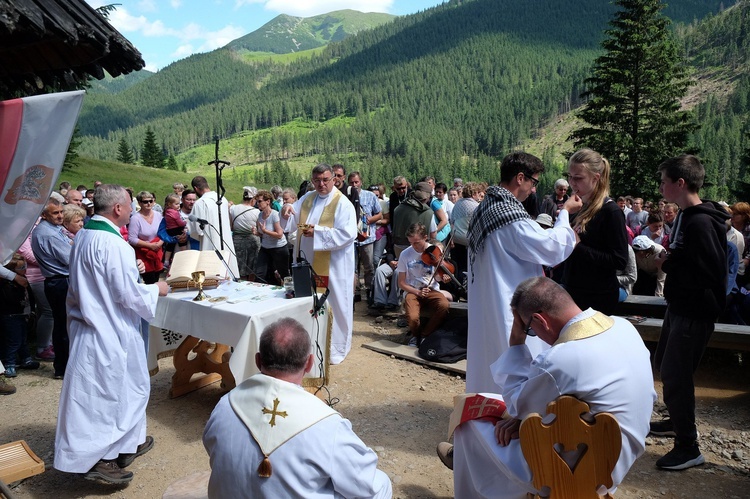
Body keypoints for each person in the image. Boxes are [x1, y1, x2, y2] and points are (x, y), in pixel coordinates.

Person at [451, 276, 655, 498]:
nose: (534, 335)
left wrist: (517, 343)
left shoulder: (559, 360)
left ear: (540, 320)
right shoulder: (623, 326)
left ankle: (468, 475)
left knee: (469, 418)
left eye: (530, 329)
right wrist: (521, 420)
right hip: (620, 455)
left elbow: (516, 404)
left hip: (581, 469)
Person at [54, 184, 169, 484]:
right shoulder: (113, 244)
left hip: (93, 324)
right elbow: (127, 295)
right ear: (118, 208)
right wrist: (156, 288)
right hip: (108, 328)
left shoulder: (84, 235)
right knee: (107, 395)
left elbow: (102, 279)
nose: (132, 210)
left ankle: (129, 442)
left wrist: (133, 269)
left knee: (131, 387)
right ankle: (101, 460)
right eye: (130, 205)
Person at [203, 317, 392, 498]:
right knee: (382, 483)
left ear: (258, 361)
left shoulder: (226, 405)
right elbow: (368, 486)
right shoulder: (326, 426)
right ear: (309, 363)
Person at [466, 152, 580, 394]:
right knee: (515, 365)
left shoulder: (486, 207)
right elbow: (551, 248)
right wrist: (565, 214)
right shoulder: (509, 216)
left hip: (489, 301)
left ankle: (487, 409)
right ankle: (513, 415)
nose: (534, 190)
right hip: (509, 301)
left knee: (489, 357)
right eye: (534, 182)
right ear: (520, 178)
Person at [650, 155, 728, 470]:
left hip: (693, 312)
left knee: (675, 375)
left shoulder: (700, 221)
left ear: (679, 184)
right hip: (680, 306)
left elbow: (711, 272)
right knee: (664, 365)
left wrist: (669, 264)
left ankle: (688, 447)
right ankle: (676, 420)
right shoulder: (690, 216)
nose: (660, 187)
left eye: (664, 181)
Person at [287, 164, 357, 364]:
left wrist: (317, 232)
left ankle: (336, 347)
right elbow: (293, 217)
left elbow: (348, 234)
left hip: (333, 265)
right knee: (308, 302)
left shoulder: (343, 204)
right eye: (316, 180)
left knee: (334, 303)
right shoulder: (307, 199)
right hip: (308, 260)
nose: (321, 184)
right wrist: (287, 210)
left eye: (325, 180)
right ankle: (311, 343)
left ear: (334, 179)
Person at [560, 148, 628, 315]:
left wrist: (578, 246)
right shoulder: (578, 206)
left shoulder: (611, 212)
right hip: (572, 291)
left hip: (597, 298)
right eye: (570, 176)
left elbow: (619, 260)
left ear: (595, 178)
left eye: (578, 178)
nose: (572, 183)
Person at [31, 197, 71, 379]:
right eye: (55, 213)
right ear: (44, 214)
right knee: (63, 325)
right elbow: (70, 259)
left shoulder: (50, 229)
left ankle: (63, 366)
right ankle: (63, 368)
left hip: (57, 280)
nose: (60, 216)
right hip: (59, 281)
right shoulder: (48, 234)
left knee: (63, 324)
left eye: (61, 212)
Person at [397, 223, 450, 345]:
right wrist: (417, 292)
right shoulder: (405, 254)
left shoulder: (435, 250)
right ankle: (416, 335)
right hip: (413, 290)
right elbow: (401, 282)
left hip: (432, 289)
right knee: (413, 317)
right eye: (411, 243)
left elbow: (437, 276)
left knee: (444, 306)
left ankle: (426, 334)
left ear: (425, 237)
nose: (413, 246)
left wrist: (443, 277)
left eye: (416, 242)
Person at [189, 176, 240, 278]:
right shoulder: (222, 199)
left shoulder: (200, 203)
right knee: (228, 271)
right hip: (225, 239)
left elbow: (198, 231)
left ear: (196, 188)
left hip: (210, 243)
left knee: (212, 273)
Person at [348, 172, 382, 302]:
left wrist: (369, 220)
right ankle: (355, 291)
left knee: (368, 266)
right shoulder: (346, 196)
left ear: (361, 182)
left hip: (367, 238)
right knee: (352, 267)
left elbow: (379, 214)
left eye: (356, 182)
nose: (354, 185)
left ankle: (369, 290)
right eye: (351, 182)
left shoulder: (370, 196)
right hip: (351, 239)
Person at [128, 191, 164, 284]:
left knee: (156, 279)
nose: (148, 203)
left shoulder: (158, 215)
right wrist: (150, 246)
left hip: (157, 252)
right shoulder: (135, 218)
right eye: (145, 202)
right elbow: (132, 238)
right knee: (150, 281)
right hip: (144, 255)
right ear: (139, 203)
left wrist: (159, 243)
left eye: (151, 201)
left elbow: (164, 232)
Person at [255, 190, 289, 285]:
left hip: (279, 248)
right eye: (257, 201)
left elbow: (279, 234)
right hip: (265, 247)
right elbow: (263, 234)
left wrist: (265, 231)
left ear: (268, 201)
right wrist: (258, 233)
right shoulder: (260, 215)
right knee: (260, 273)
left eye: (260, 201)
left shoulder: (275, 215)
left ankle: (289, 292)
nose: (258, 203)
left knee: (284, 274)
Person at [230, 187, 261, 281]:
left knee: (240, 266)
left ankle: (242, 284)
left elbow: (231, 226)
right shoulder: (256, 212)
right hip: (252, 240)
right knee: (252, 266)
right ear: (253, 199)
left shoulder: (233, 208)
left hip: (237, 240)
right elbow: (258, 228)